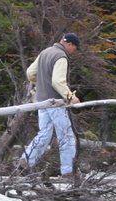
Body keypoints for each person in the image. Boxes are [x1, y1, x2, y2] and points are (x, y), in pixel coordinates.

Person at [18, 33, 81, 179]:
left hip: (41, 101)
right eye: (75, 48)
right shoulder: (61, 56)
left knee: (44, 133)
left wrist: (41, 83)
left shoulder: (45, 52)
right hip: (55, 102)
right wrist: (71, 97)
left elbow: (30, 73)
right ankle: (68, 171)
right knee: (65, 135)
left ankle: (25, 161)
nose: (74, 51)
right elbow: (58, 82)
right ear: (70, 44)